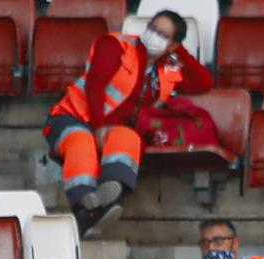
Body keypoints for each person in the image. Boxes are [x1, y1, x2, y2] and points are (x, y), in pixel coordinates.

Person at [44, 10, 212, 235]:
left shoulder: (168, 68)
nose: (153, 36)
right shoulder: (116, 45)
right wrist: (99, 126)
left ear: (172, 45)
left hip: (116, 128)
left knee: (129, 138)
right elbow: (96, 85)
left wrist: (176, 50)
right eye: (152, 28)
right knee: (81, 143)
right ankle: (84, 207)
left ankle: (108, 192)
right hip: (71, 117)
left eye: (162, 34)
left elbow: (204, 81)